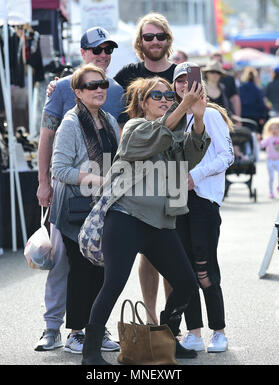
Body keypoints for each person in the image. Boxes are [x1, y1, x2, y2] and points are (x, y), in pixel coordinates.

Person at [81, 75, 211, 365]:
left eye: (168, 95)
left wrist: (198, 120)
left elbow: (188, 159)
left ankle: (166, 339)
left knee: (187, 283)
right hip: (126, 217)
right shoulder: (134, 128)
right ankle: (90, 352)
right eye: (157, 95)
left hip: (159, 223)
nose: (165, 99)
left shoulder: (172, 132)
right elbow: (156, 136)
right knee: (113, 283)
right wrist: (183, 107)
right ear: (142, 103)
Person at [35, 27, 122, 353]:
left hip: (101, 204)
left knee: (98, 265)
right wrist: (44, 183)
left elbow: (117, 150)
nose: (103, 55)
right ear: (83, 51)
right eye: (96, 49)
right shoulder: (61, 91)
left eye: (108, 50)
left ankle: (93, 327)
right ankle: (57, 328)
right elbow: (48, 140)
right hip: (71, 201)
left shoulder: (114, 96)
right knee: (64, 265)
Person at [114, 12, 178, 324]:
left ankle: (172, 324)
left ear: (168, 39)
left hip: (177, 172)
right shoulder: (128, 74)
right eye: (148, 37)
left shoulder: (181, 74)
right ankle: (152, 320)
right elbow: (94, 93)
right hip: (140, 174)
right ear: (140, 42)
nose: (154, 42)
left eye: (160, 36)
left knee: (175, 250)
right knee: (148, 254)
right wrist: (60, 85)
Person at [172, 62, 234, 353]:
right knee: (184, 270)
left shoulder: (209, 114)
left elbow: (227, 156)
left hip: (204, 200)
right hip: (176, 202)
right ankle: (193, 331)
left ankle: (218, 330)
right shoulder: (172, 118)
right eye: (179, 81)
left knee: (204, 266)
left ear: (200, 85)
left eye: (189, 80)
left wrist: (194, 178)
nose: (185, 85)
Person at [210, 52, 241, 121]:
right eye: (212, 72)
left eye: (219, 62)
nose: (215, 74)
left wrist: (237, 117)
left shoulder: (228, 79)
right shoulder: (203, 82)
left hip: (225, 117)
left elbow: (235, 98)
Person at [239, 66, 268, 135]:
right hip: (255, 117)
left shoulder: (240, 88)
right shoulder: (257, 89)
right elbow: (261, 104)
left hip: (243, 116)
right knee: (254, 136)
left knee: (244, 135)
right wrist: (263, 116)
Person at [260, 117, 279, 199]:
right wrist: (258, 140)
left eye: (276, 128)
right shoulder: (269, 139)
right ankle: (271, 192)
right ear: (269, 129)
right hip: (270, 160)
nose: (274, 130)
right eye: (272, 128)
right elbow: (262, 145)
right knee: (271, 177)